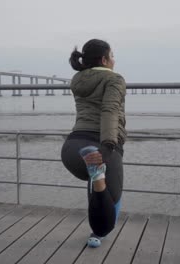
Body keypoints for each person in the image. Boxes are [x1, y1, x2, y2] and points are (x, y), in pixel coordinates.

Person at [60, 39, 126, 248]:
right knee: (108, 196)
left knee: (96, 182)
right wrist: (107, 147)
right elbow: (109, 110)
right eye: (112, 56)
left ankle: (96, 174)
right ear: (105, 59)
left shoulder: (77, 79)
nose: (114, 60)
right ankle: (99, 232)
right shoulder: (114, 79)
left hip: (72, 149)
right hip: (99, 146)